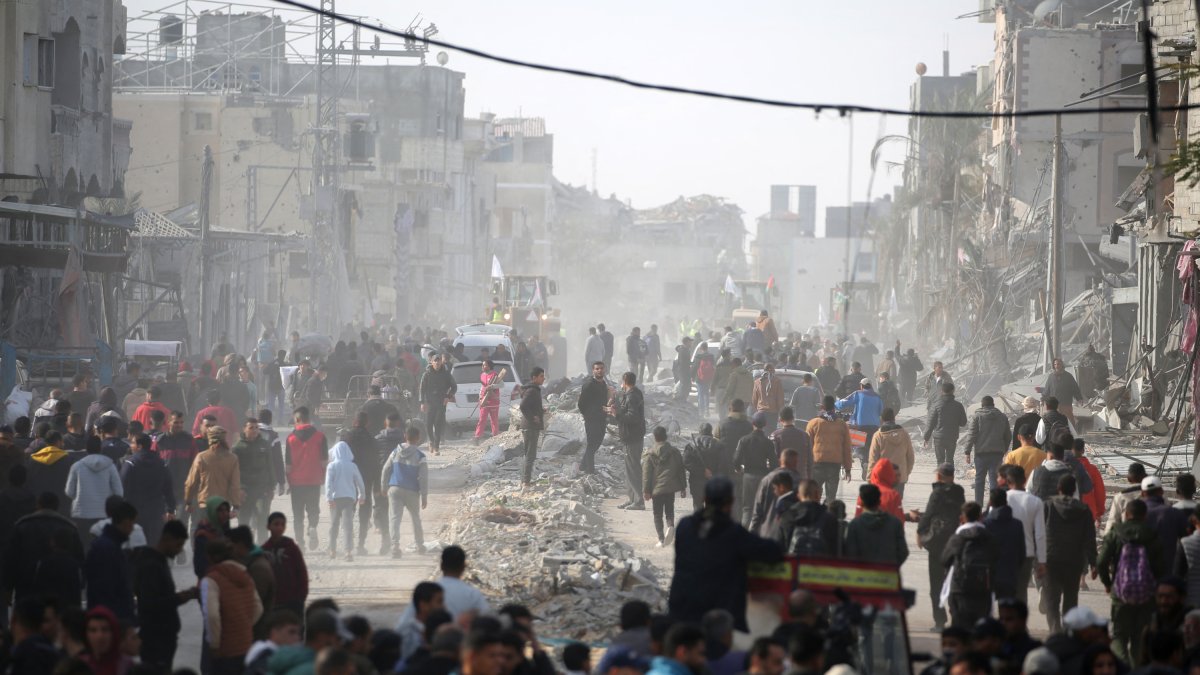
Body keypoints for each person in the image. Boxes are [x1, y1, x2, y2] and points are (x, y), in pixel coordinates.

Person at [668, 477, 783, 632]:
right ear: (731, 502)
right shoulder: (733, 533)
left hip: (681, 609)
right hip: (719, 617)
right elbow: (772, 552)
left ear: (704, 499)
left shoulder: (685, 526)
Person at [1098, 498, 1163, 665]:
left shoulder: (1116, 532)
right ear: (1145, 515)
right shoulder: (1151, 534)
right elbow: (1159, 566)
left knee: (1119, 636)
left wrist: (1108, 584)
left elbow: (1102, 562)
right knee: (1139, 638)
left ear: (1126, 514)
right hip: (1146, 595)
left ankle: (1122, 667)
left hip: (1120, 593)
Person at [131, 519, 195, 669]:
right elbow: (151, 603)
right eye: (178, 544)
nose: (179, 550)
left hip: (162, 636)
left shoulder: (158, 561)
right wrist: (180, 597)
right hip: (155, 637)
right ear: (167, 538)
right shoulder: (151, 565)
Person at [1043, 475, 1098, 633]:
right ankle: (1068, 632)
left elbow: (1039, 534)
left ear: (1058, 488)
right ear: (1074, 490)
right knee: (1070, 599)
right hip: (1074, 560)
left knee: (1051, 600)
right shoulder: (1083, 510)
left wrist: (1037, 560)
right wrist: (1094, 563)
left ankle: (1055, 631)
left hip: (1050, 558)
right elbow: (1089, 539)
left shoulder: (1048, 506)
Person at [202, 538, 265, 673]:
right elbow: (258, 608)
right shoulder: (245, 574)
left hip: (225, 650)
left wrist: (215, 645)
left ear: (210, 557)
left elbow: (212, 615)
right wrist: (243, 626)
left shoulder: (210, 580)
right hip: (245, 643)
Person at [919, 463, 967, 631]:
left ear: (939, 475)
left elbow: (929, 514)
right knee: (954, 581)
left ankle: (940, 621)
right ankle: (957, 618)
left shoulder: (937, 493)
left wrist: (919, 532)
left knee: (936, 583)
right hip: (954, 541)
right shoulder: (959, 491)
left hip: (937, 542)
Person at [942, 502, 998, 629]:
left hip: (960, 588)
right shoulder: (989, 537)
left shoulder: (958, 537)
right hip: (983, 588)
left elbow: (945, 560)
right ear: (981, 517)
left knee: (960, 628)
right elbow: (996, 558)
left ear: (962, 518)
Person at [84, 499, 137, 622]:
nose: (133, 528)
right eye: (132, 523)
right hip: (109, 617)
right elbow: (107, 588)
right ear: (125, 522)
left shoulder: (108, 545)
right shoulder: (108, 548)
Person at [1002, 465, 1047, 607]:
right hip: (1026, 553)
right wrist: (1041, 560)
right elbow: (1040, 534)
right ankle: (1019, 624)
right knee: (1022, 591)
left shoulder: (1001, 499)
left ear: (1008, 481)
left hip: (1004, 553)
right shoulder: (1035, 502)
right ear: (1025, 480)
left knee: (1005, 590)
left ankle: (1006, 623)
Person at [380, 425, 428, 559]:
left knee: (394, 518)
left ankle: (395, 546)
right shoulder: (420, 456)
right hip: (412, 491)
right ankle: (420, 545)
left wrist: (384, 487)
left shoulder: (395, 451)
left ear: (405, 437)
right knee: (415, 518)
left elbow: (385, 469)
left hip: (394, 488)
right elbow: (423, 478)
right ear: (418, 438)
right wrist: (424, 496)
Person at [120, 433, 175, 546]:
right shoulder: (161, 463)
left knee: (136, 544)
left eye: (133, 443)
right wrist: (170, 508)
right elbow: (168, 487)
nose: (131, 446)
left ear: (139, 446)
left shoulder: (131, 463)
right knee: (154, 542)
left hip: (135, 511)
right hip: (156, 511)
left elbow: (123, 487)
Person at [65, 432, 124, 537]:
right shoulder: (110, 466)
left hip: (81, 513)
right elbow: (119, 492)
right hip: (104, 514)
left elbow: (69, 492)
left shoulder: (77, 466)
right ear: (100, 449)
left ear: (86, 449)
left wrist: (80, 497)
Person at [285, 406, 328, 550]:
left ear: (297, 419)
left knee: (298, 514)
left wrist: (287, 483)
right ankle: (312, 526)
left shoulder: (290, 438)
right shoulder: (320, 436)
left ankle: (300, 542)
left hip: (296, 482)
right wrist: (324, 478)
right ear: (309, 419)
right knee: (313, 509)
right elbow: (324, 462)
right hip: (314, 480)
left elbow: (288, 465)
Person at [185, 424, 242, 525]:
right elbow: (235, 485)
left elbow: (191, 482)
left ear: (210, 439)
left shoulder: (201, 457)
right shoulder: (232, 458)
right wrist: (236, 506)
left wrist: (188, 502)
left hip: (205, 505)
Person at [642, 426, 687, 547]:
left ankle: (661, 539)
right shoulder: (675, 452)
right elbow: (680, 470)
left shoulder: (650, 453)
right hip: (670, 488)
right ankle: (671, 526)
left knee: (657, 514)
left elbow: (646, 474)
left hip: (656, 489)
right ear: (666, 436)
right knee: (669, 511)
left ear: (655, 438)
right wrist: (683, 487)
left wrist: (646, 491)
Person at [806, 396, 853, 506]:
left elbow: (807, 446)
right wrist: (848, 469)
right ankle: (828, 515)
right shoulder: (842, 424)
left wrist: (806, 466)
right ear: (834, 407)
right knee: (831, 497)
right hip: (834, 464)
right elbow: (847, 448)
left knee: (814, 496)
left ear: (822, 407)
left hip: (817, 463)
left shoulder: (813, 423)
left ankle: (816, 516)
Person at [846, 483, 908, 565]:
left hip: (862, 573)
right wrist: (891, 566)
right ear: (879, 501)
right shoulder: (894, 523)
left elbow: (849, 552)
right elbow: (903, 552)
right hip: (887, 573)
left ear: (861, 503)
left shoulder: (854, 525)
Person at [324, 440, 365, 561]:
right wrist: (362, 496)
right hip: (349, 499)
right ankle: (348, 552)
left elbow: (328, 483)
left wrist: (328, 497)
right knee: (348, 526)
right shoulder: (352, 466)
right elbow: (360, 482)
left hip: (335, 499)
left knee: (334, 525)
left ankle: (332, 550)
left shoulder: (331, 466)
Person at [774, 479, 839, 556]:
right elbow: (836, 550)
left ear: (798, 496)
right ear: (817, 494)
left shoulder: (787, 517)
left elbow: (779, 549)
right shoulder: (830, 519)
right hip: (821, 565)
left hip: (795, 565)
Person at [261, 512, 308, 616]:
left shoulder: (291, 547)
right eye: (276, 524)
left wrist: (301, 598)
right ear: (268, 526)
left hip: (292, 601)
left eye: (282, 524)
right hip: (271, 603)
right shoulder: (264, 550)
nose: (279, 527)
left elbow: (301, 572)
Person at [612, 371, 647, 510]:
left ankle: (638, 501)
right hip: (631, 436)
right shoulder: (633, 394)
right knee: (629, 469)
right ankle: (632, 498)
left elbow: (633, 417)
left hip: (632, 437)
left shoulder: (632, 396)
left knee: (633, 469)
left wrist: (617, 415)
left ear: (625, 381)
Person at [836, 378, 883, 480]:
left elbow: (843, 403)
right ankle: (870, 468)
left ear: (861, 386)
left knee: (859, 446)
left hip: (860, 426)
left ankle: (864, 462)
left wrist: (835, 403)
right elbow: (881, 412)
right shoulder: (878, 397)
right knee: (871, 448)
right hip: (875, 427)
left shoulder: (858, 393)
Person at [983, 489, 1026, 601]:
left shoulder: (986, 524)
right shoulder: (1017, 524)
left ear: (991, 503)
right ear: (1006, 503)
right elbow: (1021, 552)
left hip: (989, 575)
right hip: (1010, 574)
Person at [25, 431, 76, 516]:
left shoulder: (32, 460)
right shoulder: (69, 460)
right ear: (59, 442)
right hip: (60, 507)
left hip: (37, 506)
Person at [868, 407, 914, 498]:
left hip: (883, 478)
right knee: (896, 506)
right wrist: (905, 473)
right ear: (894, 418)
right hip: (900, 477)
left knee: (884, 506)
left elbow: (873, 459)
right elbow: (910, 458)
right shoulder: (904, 434)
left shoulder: (878, 435)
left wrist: (870, 478)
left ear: (881, 419)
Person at [397, 582, 446, 662]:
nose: (443, 606)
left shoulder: (441, 627)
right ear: (423, 605)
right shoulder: (407, 632)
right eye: (439, 602)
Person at [419, 354, 457, 455]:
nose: (437, 362)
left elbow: (454, 387)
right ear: (431, 362)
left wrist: (448, 397)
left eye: (439, 360)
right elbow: (421, 390)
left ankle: (436, 447)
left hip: (441, 402)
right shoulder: (426, 374)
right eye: (435, 361)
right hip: (429, 402)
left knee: (438, 424)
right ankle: (431, 441)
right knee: (428, 424)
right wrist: (422, 402)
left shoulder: (446, 374)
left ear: (441, 362)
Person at [245, 609, 303, 675]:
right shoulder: (264, 655)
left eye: (298, 633)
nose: (297, 637)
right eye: (291, 632)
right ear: (274, 632)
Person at [578, 362, 610, 476]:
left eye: (601, 368)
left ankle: (582, 466)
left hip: (601, 419)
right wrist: (588, 415)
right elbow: (581, 403)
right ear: (593, 371)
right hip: (592, 420)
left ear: (604, 369)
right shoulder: (589, 384)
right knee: (592, 444)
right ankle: (590, 471)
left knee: (597, 443)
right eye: (597, 369)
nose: (599, 371)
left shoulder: (603, 384)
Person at [81, 605, 134, 675]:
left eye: (105, 629)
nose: (99, 636)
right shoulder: (79, 666)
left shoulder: (127, 667)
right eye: (93, 630)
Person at [925, 383, 968, 467]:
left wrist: (926, 438)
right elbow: (963, 423)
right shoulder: (958, 406)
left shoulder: (936, 405)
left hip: (939, 438)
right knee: (950, 460)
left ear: (941, 391)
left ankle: (941, 479)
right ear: (953, 391)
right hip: (952, 437)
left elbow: (930, 423)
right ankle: (949, 479)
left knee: (940, 461)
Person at [520, 367, 546, 488]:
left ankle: (524, 480)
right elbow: (523, 406)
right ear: (534, 378)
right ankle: (526, 482)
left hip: (529, 426)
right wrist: (533, 418)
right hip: (530, 427)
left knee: (528, 455)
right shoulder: (532, 390)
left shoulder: (533, 389)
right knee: (530, 455)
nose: (543, 378)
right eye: (541, 376)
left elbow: (529, 406)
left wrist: (540, 411)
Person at [1107, 463, 1149, 535]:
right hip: (1151, 539)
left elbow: (1112, 523)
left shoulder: (1120, 497)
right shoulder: (1156, 494)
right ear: (1145, 477)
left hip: (1126, 538)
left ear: (1128, 478)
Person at [1043, 359, 1083, 425]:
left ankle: (1072, 434)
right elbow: (1047, 389)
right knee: (1055, 422)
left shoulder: (1068, 376)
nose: (1057, 366)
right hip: (1055, 405)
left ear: (1062, 365)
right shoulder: (1051, 377)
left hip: (1066, 404)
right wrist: (1043, 399)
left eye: (1058, 364)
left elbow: (1075, 388)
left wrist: (1079, 398)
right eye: (1055, 364)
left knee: (1069, 422)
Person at [694, 343, 717, 418]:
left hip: (699, 378)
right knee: (706, 394)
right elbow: (714, 367)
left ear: (701, 348)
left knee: (700, 395)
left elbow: (694, 367)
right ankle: (707, 411)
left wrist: (692, 376)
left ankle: (701, 411)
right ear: (707, 348)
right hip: (708, 378)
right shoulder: (711, 356)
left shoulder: (698, 356)